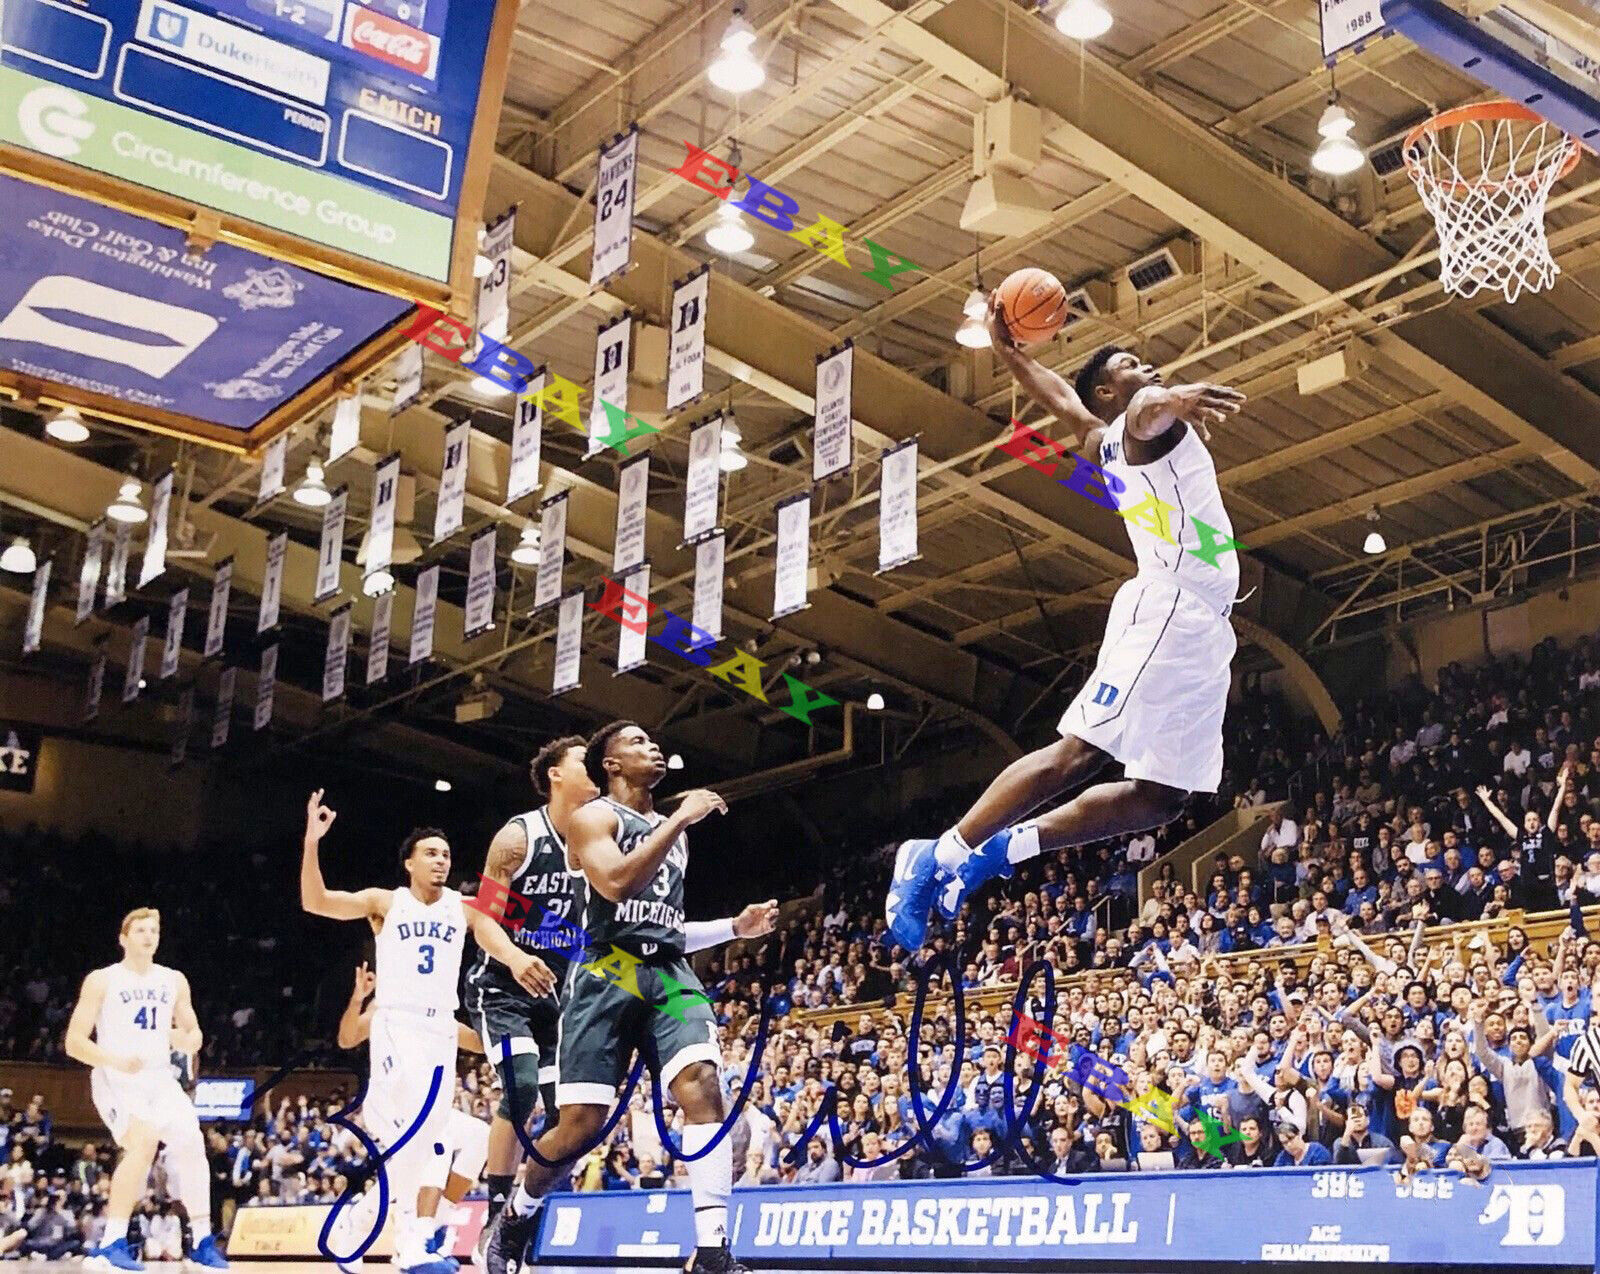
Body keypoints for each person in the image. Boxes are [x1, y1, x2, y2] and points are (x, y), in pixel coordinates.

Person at [886, 308, 1247, 950]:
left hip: (1204, 628)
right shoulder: (1145, 432)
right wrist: (1174, 396)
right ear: (1111, 392)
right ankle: (935, 855)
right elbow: (1144, 413)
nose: (1149, 369)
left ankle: (1002, 849)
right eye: (1130, 367)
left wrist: (1010, 353)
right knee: (1081, 752)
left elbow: (1063, 399)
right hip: (1168, 608)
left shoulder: (1100, 439)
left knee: (1165, 797)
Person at [481, 722, 777, 1274]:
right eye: (638, 742)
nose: (654, 746)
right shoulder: (593, 819)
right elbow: (617, 884)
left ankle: (712, 1247)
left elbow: (666, 928)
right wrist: (681, 819)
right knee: (581, 1123)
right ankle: (518, 1214)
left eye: (653, 741)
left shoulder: (674, 833)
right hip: (606, 969)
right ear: (610, 765)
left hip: (666, 972)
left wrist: (735, 927)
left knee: (703, 1083)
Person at [299, 791, 555, 1274]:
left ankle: (366, 1226)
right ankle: (410, 1247)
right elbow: (316, 901)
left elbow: (527, 918)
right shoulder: (384, 902)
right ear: (410, 863)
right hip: (396, 1025)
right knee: (423, 1140)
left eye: (446, 855)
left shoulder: (464, 906)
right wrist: (312, 842)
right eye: (431, 854)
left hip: (440, 1028)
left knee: (460, 1138)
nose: (441, 861)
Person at [467, 735, 596, 1250]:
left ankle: (525, 1215)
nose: (595, 770)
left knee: (574, 1122)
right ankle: (496, 1211)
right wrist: (517, 958)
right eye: (585, 761)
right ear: (556, 775)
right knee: (519, 1088)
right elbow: (483, 919)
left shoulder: (598, 841)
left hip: (559, 998)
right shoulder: (518, 839)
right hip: (501, 987)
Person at [63, 909, 228, 1272]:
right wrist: (115, 1060)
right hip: (116, 1078)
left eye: (153, 930)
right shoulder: (103, 980)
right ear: (123, 938)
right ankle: (111, 1243)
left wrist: (178, 1037)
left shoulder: (173, 981)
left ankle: (202, 1240)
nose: (148, 935)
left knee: (192, 1144)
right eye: (140, 930)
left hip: (160, 1079)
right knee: (143, 1142)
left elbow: (194, 1036)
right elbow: (74, 1043)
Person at [331, 963, 491, 1270]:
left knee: (477, 1136)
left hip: (424, 1108)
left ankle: (398, 1226)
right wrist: (357, 999)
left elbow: (474, 1042)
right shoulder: (387, 1003)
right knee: (434, 1141)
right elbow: (347, 1039)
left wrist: (507, 1030)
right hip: (386, 1105)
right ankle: (411, 1244)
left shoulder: (438, 1011)